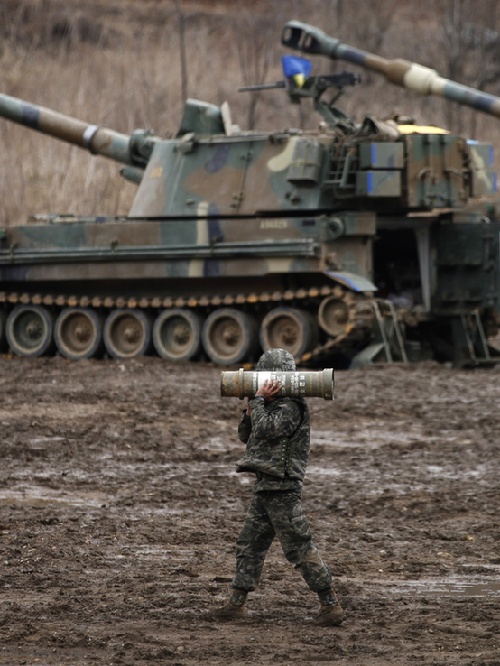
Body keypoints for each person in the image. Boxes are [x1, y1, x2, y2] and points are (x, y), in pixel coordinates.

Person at [214, 348, 344, 626]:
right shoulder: (271, 404)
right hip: (266, 486)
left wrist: (259, 401)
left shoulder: (291, 406)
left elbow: (268, 429)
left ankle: (330, 604)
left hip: (282, 487)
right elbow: (246, 435)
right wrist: (250, 408)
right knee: (249, 544)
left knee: (298, 545)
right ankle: (235, 604)